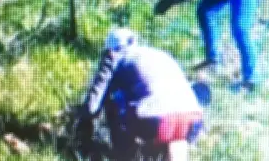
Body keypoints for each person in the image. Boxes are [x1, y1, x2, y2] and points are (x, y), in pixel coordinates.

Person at [79, 28, 205, 160]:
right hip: (193, 117)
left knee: (114, 100)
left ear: (111, 48)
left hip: (157, 119)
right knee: (174, 131)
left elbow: (91, 107)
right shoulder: (158, 54)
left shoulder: (114, 56)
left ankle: (124, 157)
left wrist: (83, 124)